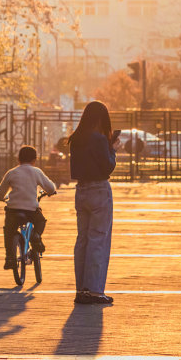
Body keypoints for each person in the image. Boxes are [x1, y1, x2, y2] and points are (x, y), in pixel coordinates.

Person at [67, 99, 120, 306]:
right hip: (99, 189)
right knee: (98, 239)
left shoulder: (76, 139)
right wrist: (113, 149)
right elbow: (107, 167)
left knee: (83, 240)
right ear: (100, 118)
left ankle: (81, 289)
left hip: (81, 190)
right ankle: (95, 291)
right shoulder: (98, 139)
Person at [0, 144, 56, 271]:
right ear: (34, 160)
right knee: (40, 221)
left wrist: (2, 197)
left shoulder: (11, 172)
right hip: (31, 210)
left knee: (9, 231)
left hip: (13, 210)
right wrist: (51, 192)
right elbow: (50, 188)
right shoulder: (36, 172)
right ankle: (36, 236)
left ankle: (9, 258)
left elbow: (0, 192)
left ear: (18, 159)